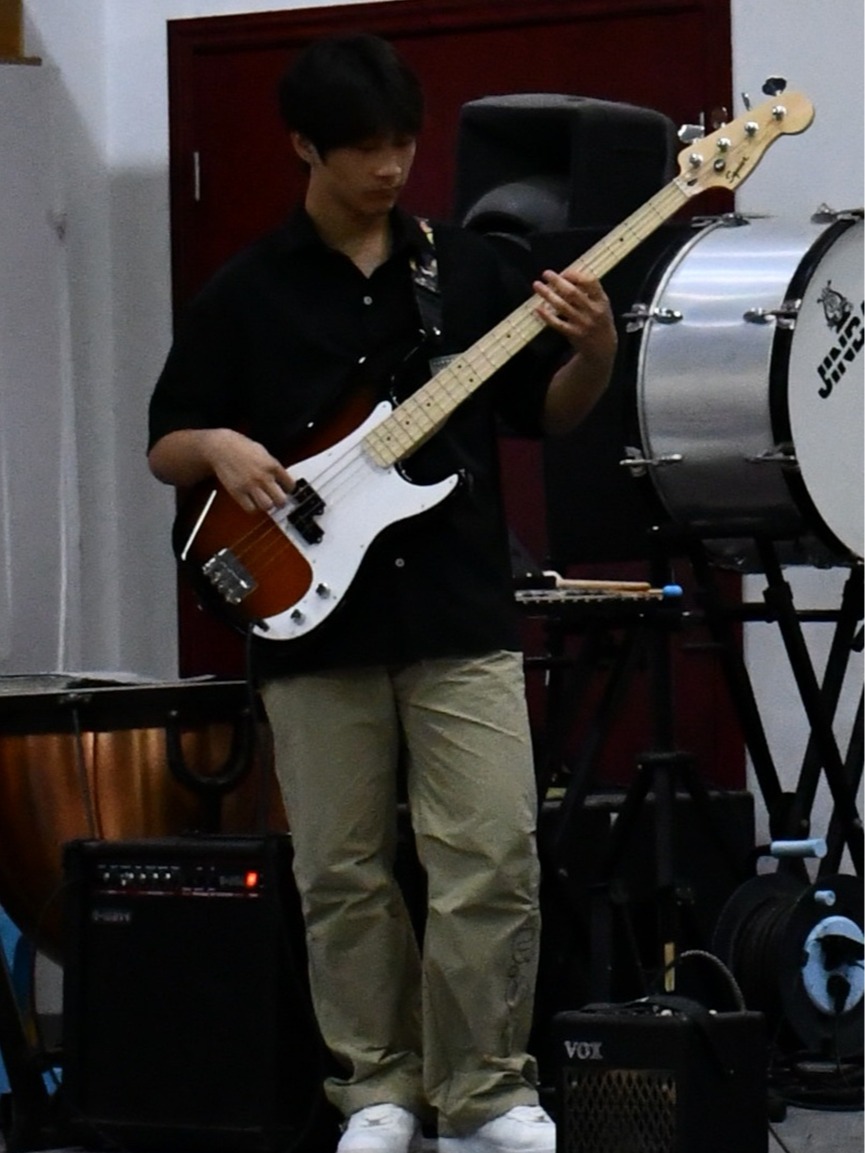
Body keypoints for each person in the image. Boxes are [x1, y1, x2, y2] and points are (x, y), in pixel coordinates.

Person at [148, 32, 616, 1153]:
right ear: (304, 147)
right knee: (342, 871)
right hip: (310, 618)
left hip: (457, 606)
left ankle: (485, 1093)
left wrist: (595, 350)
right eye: (364, 148)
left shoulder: (469, 272)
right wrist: (218, 446)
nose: (390, 167)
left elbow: (543, 414)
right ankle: (376, 1091)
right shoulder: (246, 292)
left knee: (490, 852)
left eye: (403, 142)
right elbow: (166, 440)